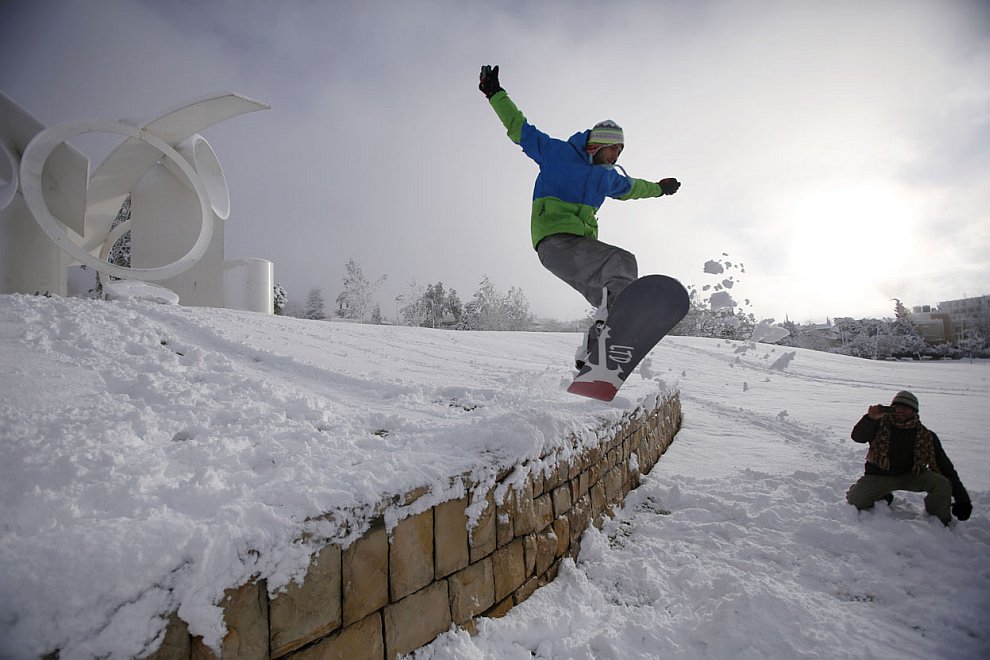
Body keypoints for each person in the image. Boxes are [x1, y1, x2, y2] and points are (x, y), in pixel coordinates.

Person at [478, 65, 681, 368]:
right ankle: (608, 334)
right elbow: (519, 127)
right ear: (597, 144)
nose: (615, 158)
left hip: (577, 251)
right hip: (556, 241)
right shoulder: (555, 153)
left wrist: (659, 189)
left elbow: (634, 187)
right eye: (613, 150)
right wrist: (495, 94)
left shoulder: (607, 178)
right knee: (622, 262)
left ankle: (595, 349)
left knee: (611, 292)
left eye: (620, 153)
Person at [846, 390, 972, 526]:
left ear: (914, 411)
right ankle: (882, 495)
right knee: (855, 499)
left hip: (913, 475)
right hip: (880, 475)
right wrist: (870, 419)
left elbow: (946, 467)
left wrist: (962, 500)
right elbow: (858, 437)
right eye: (897, 407)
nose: (900, 410)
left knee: (941, 483)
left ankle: (938, 521)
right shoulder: (878, 425)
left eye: (905, 408)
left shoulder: (926, 435)